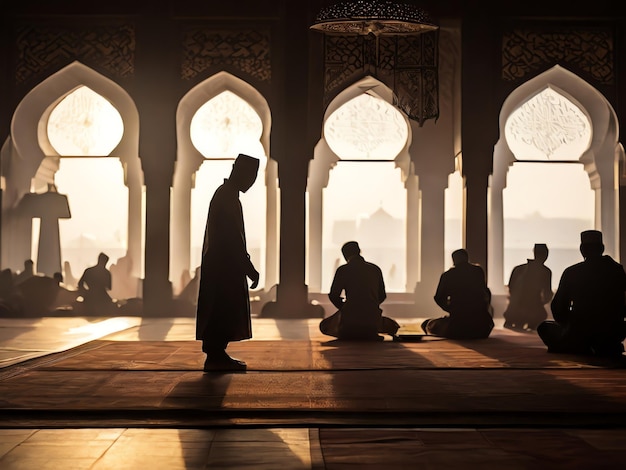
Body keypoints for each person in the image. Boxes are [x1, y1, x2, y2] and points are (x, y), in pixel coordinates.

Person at [196, 153, 260, 372]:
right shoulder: (227, 198)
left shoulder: (226, 195)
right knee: (222, 308)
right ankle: (215, 355)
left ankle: (216, 353)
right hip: (224, 266)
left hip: (223, 265)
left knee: (221, 308)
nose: (252, 182)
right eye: (251, 176)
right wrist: (248, 267)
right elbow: (232, 238)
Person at [537, 230, 626, 357]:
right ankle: (604, 344)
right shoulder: (616, 271)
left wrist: (569, 324)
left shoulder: (572, 272)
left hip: (579, 331)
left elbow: (558, 307)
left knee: (544, 328)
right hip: (612, 332)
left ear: (582, 250)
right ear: (602, 248)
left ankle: (579, 345)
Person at [319, 241, 399, 341]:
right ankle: (370, 331)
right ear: (359, 251)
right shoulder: (375, 269)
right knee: (394, 326)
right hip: (372, 318)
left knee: (324, 326)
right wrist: (370, 305)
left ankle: (349, 332)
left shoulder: (343, 270)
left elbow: (333, 295)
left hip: (349, 318)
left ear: (344, 255)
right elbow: (382, 295)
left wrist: (345, 308)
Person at [422, 248, 494, 339]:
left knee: (428, 324)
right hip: (483, 327)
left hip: (458, 327)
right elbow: (486, 292)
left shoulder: (448, 275)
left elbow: (438, 297)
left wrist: (452, 309)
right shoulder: (478, 272)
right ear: (467, 258)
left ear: (454, 260)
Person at [503, 243, 553, 331]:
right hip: (532, 312)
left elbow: (511, 289)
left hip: (512, 311)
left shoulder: (518, 269)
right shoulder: (545, 271)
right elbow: (547, 294)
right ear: (546, 255)